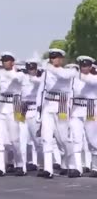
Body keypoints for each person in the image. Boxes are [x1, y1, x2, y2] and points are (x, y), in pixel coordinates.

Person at [37, 48, 78, 178]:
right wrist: (39, 110)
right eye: (52, 58)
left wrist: (49, 68)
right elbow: (41, 91)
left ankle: (71, 165)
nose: (54, 60)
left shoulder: (69, 72)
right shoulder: (46, 73)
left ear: (61, 59)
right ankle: (48, 169)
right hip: (48, 105)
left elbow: (62, 75)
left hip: (62, 105)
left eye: (56, 58)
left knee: (63, 139)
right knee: (46, 138)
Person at [0, 52, 26, 176]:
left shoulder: (19, 74)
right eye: (3, 61)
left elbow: (19, 79)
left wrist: (10, 74)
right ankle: (1, 168)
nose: (5, 63)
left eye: (7, 60)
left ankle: (19, 164)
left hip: (14, 108)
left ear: (12, 62)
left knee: (15, 140)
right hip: (0, 108)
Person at [68, 56, 96, 178]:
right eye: (82, 66)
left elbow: (90, 81)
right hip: (76, 109)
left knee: (92, 140)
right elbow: (70, 93)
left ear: (90, 66)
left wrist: (76, 75)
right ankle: (77, 168)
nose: (83, 68)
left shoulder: (94, 77)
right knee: (76, 139)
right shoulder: (74, 78)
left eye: (86, 66)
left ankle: (95, 167)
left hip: (90, 109)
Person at [21, 60, 43, 172]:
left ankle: (41, 165)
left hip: (34, 111)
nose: (31, 71)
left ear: (36, 69)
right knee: (22, 140)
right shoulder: (22, 78)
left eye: (33, 69)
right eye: (29, 69)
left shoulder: (39, 80)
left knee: (37, 141)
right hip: (23, 111)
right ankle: (24, 165)